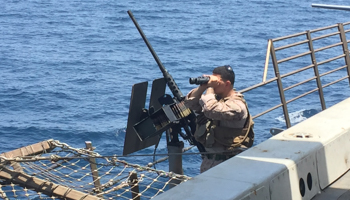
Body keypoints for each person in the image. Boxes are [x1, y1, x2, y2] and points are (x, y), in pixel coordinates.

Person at [184, 65, 254, 173]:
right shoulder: (215, 100)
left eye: (217, 82)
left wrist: (210, 88)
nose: (213, 85)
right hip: (209, 162)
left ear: (227, 84)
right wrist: (202, 87)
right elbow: (190, 104)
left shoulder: (237, 106)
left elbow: (211, 110)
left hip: (230, 165)